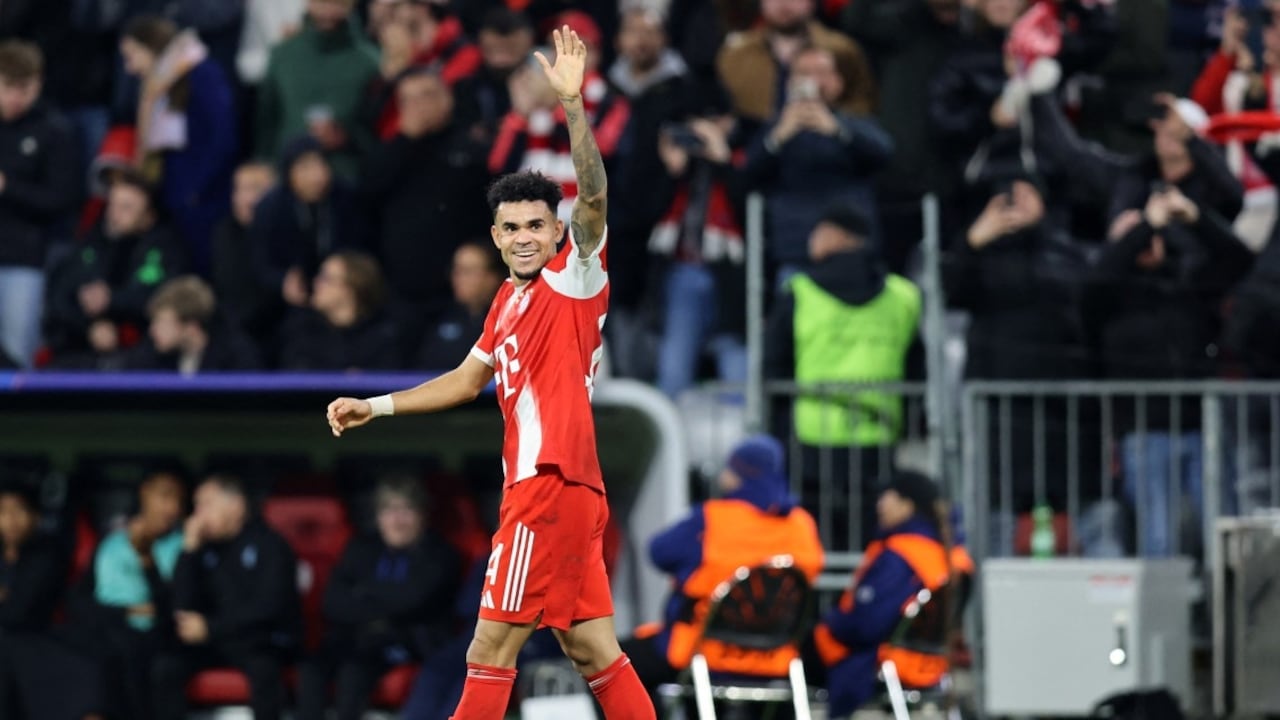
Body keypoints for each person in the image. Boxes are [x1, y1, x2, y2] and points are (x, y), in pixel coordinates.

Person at [326, 26, 657, 720]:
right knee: (594, 651)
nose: (527, 236)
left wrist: (572, 108)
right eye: (512, 228)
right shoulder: (507, 301)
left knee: (489, 648)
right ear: (497, 237)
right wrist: (376, 407)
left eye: (538, 224)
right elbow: (465, 380)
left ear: (556, 232)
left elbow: (592, 199)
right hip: (566, 495)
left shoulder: (575, 278)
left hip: (548, 486)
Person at [765, 205, 921, 551]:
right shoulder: (904, 296)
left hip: (811, 442)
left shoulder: (801, 291)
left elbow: (773, 365)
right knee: (867, 544)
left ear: (834, 238)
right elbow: (917, 368)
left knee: (813, 544)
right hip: (876, 439)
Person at [620, 435, 824, 696]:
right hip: (778, 655)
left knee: (609, 669)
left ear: (738, 474)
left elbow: (659, 552)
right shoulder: (801, 524)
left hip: (703, 652)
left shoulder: (712, 519)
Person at [297, 476, 462, 720]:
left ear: (422, 515)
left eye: (405, 510)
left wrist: (363, 595)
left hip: (408, 641)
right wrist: (384, 600)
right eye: (388, 510)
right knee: (311, 666)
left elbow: (413, 601)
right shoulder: (361, 547)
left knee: (354, 669)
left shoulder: (440, 553)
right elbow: (332, 601)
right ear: (378, 516)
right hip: (353, 637)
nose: (396, 520)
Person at [812, 471, 972, 718]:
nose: (880, 505)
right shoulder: (955, 556)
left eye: (887, 497)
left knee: (796, 659)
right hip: (933, 664)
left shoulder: (901, 554)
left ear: (907, 505)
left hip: (882, 663)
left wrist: (831, 623)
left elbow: (867, 625)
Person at [152, 474, 301, 720]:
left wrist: (212, 627)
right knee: (166, 668)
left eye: (205, 505)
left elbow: (269, 608)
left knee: (265, 671)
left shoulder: (270, 545)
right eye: (196, 507)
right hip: (213, 643)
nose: (198, 515)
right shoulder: (201, 548)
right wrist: (188, 550)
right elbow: (181, 606)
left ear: (236, 506)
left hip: (256, 642)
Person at [120, 15, 238, 276]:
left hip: (204, 200)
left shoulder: (202, 73)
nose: (129, 68)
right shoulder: (157, 86)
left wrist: (196, 190)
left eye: (132, 56)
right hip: (177, 197)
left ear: (151, 47)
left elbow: (223, 136)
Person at [69, 468, 187, 720]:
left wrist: (146, 558)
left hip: (155, 639)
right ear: (144, 494)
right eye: (165, 496)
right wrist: (127, 610)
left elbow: (170, 610)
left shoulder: (185, 547)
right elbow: (79, 601)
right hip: (107, 631)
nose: (172, 507)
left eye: (178, 500)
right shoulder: (111, 543)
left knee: (132, 650)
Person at [45, 170, 188, 362]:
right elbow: (60, 295)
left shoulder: (165, 248)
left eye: (126, 208)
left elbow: (163, 298)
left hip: (145, 353)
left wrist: (113, 299)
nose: (114, 214)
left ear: (149, 216)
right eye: (112, 205)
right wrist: (89, 327)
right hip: (81, 348)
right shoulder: (92, 242)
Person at [0, 40, 78, 369]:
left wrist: (7, 187)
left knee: (18, 354)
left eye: (26, 89)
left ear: (39, 84)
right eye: (8, 87)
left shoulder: (54, 130)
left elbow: (62, 199)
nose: (17, 98)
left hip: (23, 259)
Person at [254, 0, 380, 180]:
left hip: (348, 178)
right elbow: (266, 121)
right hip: (287, 177)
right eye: (321, 2)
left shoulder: (370, 62)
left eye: (336, 3)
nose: (328, 11)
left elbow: (377, 131)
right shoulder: (282, 55)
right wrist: (265, 166)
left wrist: (346, 137)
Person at [278, 250, 403, 370]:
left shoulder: (383, 335)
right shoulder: (303, 329)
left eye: (326, 278)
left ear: (351, 288)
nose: (316, 282)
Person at [123, 275, 263, 373]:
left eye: (162, 322)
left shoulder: (237, 358)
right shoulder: (152, 357)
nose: (152, 331)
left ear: (191, 326)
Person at [416, 241, 506, 371]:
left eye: (467, 271)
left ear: (493, 277)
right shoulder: (439, 319)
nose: (458, 278)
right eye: (456, 270)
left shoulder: (510, 321)